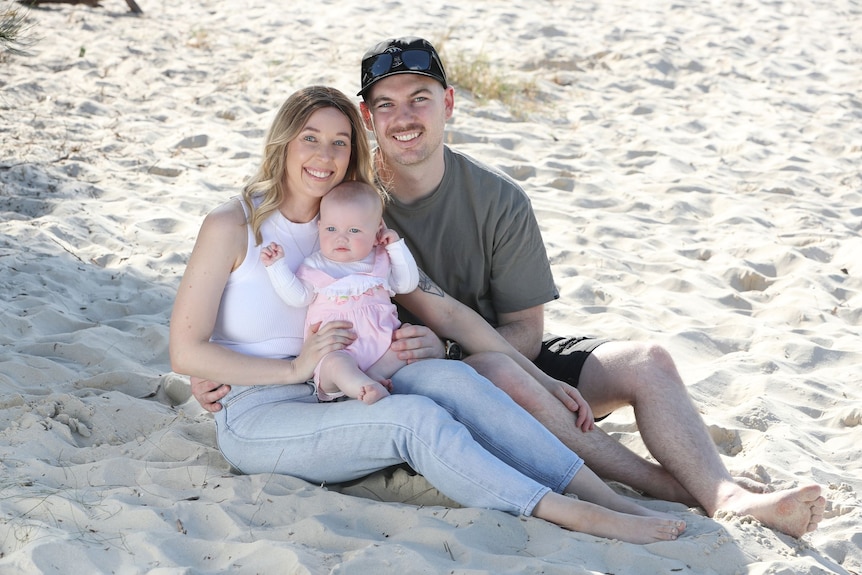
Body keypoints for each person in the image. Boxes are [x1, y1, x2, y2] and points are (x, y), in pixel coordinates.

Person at [348, 36, 825, 539]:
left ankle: (726, 496)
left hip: (495, 353)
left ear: (447, 103)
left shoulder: (498, 199)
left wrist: (449, 346)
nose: (404, 117)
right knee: (496, 369)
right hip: (408, 380)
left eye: (419, 98)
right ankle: (676, 488)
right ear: (367, 117)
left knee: (648, 361)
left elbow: (527, 333)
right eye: (387, 104)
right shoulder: (350, 203)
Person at [170, 84, 688, 544]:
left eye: (339, 141)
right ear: (283, 142)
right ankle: (567, 512)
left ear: (354, 151)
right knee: (415, 419)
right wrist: (287, 369)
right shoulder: (232, 225)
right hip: (261, 412)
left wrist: (529, 375)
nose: (324, 156)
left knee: (452, 381)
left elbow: (441, 309)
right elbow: (185, 349)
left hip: (344, 386)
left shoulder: (352, 224)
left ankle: (606, 497)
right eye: (309, 138)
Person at [260, 180, 419, 404]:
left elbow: (407, 284)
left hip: (383, 347)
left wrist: (396, 247)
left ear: (377, 232)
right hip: (338, 347)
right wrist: (277, 267)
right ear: (320, 226)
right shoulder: (315, 266)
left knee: (405, 343)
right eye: (331, 229)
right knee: (335, 364)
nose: (341, 237)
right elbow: (298, 297)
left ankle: (373, 375)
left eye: (354, 230)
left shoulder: (381, 260)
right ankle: (363, 386)